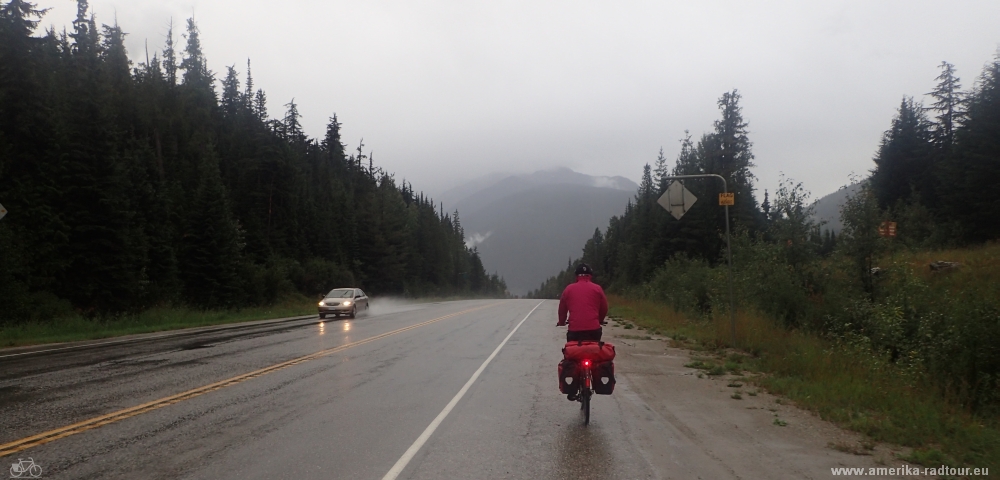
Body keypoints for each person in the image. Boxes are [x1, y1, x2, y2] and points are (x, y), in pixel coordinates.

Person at [557, 263, 608, 342]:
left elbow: (562, 309)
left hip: (574, 331)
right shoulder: (597, 288)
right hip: (593, 330)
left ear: (576, 276)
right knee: (595, 350)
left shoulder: (568, 289)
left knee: (571, 351)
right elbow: (604, 308)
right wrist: (600, 320)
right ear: (590, 275)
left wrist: (561, 322)